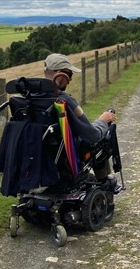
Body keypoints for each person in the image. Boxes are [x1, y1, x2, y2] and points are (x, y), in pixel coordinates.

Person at [43, 52, 117, 182]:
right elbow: (92, 135)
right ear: (59, 73)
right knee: (102, 138)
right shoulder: (64, 100)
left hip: (39, 155)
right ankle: (104, 181)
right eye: (69, 75)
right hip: (67, 158)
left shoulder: (27, 100)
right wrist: (102, 121)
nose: (70, 80)